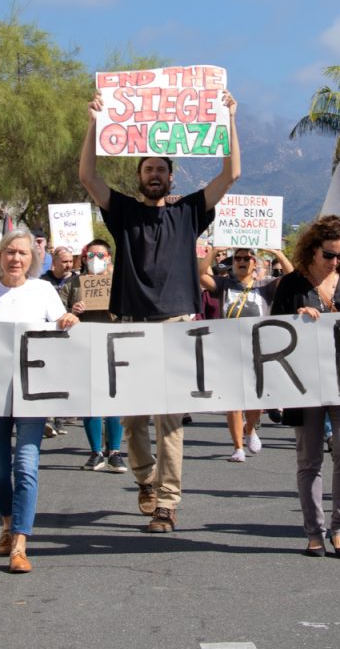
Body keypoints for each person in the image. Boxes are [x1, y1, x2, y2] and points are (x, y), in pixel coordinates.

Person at [80, 88, 240, 533]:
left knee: (170, 421)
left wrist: (229, 118)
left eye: (161, 170)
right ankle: (145, 479)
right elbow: (88, 177)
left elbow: (231, 174)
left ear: (172, 177)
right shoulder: (123, 213)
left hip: (175, 327)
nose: (154, 174)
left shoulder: (190, 212)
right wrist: (94, 121)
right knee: (132, 420)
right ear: (139, 176)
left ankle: (168, 504)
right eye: (148, 168)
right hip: (129, 325)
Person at [0, 229, 79, 573]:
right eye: (10, 252)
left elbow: (61, 324)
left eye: (22, 253)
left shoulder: (43, 291)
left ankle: (20, 544)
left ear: (32, 259)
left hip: (31, 395)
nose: (16, 258)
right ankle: (7, 524)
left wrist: (68, 319)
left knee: (26, 465)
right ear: (0, 256)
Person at [271, 215, 340, 558]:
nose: (336, 261)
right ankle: (313, 531)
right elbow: (272, 333)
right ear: (312, 249)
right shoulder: (290, 285)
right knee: (310, 459)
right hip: (304, 383)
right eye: (329, 255)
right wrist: (296, 319)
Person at [199, 245, 293, 462]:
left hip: (258, 351)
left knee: (256, 401)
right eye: (237, 258)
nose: (242, 261)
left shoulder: (265, 287)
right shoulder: (224, 285)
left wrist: (278, 253)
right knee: (233, 401)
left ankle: (249, 428)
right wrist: (212, 252)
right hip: (228, 351)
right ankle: (238, 448)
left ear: (255, 263)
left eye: (247, 258)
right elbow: (200, 275)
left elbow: (293, 277)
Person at [62, 239, 128, 473]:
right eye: (91, 255)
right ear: (84, 258)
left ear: (109, 259)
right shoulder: (73, 284)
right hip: (84, 347)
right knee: (90, 402)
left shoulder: (120, 284)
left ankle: (116, 452)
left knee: (114, 400)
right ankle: (96, 452)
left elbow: (131, 312)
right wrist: (71, 312)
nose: (96, 260)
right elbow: (56, 316)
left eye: (101, 255)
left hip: (114, 348)